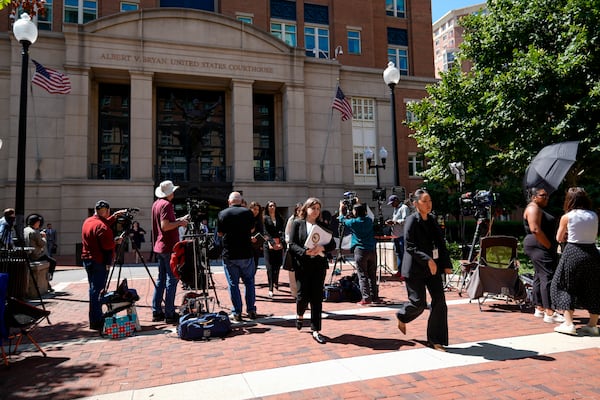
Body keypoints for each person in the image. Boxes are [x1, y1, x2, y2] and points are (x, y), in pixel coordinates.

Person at [395, 189, 452, 351]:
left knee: (440, 302)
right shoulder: (411, 220)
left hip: (432, 268)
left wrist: (446, 264)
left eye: (430, 201)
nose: (428, 204)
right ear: (415, 203)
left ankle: (435, 340)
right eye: (425, 201)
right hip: (415, 268)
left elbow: (440, 243)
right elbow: (410, 246)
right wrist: (428, 260)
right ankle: (402, 316)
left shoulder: (432, 220)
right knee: (418, 303)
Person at [551, 187, 600, 336]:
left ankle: (569, 323)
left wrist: (566, 233)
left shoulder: (567, 216)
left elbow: (559, 238)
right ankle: (592, 325)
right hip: (592, 253)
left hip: (573, 252)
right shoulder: (594, 215)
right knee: (593, 286)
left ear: (569, 200)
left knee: (564, 285)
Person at [287, 197, 336, 344]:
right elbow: (291, 244)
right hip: (302, 265)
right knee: (302, 295)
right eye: (313, 208)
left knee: (316, 298)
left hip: (319, 265)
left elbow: (332, 243)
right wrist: (304, 252)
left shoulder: (322, 225)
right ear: (306, 209)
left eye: (318, 208)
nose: (315, 211)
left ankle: (316, 330)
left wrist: (323, 248)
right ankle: (300, 314)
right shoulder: (297, 223)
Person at [81, 200, 127, 331]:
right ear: (106, 211)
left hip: (87, 260)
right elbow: (107, 244)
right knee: (98, 291)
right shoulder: (102, 227)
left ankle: (94, 318)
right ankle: (96, 320)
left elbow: (101, 224)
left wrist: (114, 217)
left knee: (93, 289)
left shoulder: (88, 221)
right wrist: (116, 242)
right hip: (99, 261)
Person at [523, 187, 564, 323]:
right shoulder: (533, 208)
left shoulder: (537, 207)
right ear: (534, 196)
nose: (547, 198)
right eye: (543, 195)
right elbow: (535, 229)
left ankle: (540, 307)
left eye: (547, 196)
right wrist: (548, 245)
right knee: (547, 276)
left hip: (538, 245)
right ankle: (550, 312)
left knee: (539, 277)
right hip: (539, 245)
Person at [152, 180, 189, 324]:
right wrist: (180, 223)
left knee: (161, 280)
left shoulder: (156, 204)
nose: (173, 193)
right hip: (168, 247)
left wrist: (179, 220)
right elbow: (165, 226)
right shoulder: (166, 205)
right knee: (172, 280)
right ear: (169, 193)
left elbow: (164, 224)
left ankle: (157, 311)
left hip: (160, 246)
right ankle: (169, 313)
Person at [217, 191, 257, 322]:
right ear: (241, 201)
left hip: (230, 254)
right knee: (249, 282)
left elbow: (220, 233)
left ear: (229, 202)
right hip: (246, 253)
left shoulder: (223, 214)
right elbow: (252, 230)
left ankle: (237, 312)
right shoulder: (248, 213)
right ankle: (251, 310)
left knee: (233, 284)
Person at [339, 201, 378, 305]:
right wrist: (357, 203)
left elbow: (342, 219)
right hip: (371, 249)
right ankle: (375, 297)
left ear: (355, 212)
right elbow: (366, 215)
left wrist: (341, 208)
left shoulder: (353, 222)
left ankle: (366, 298)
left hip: (360, 250)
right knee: (372, 275)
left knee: (362, 275)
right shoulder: (369, 220)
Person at [24, 214, 57, 292]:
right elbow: (42, 243)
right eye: (38, 222)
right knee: (53, 262)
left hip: (28, 254)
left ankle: (48, 284)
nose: (39, 224)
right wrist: (44, 237)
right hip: (36, 255)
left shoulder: (25, 230)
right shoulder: (35, 232)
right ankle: (49, 277)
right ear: (35, 223)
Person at [263, 200, 285, 298]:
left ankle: (276, 281)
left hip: (278, 244)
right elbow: (265, 232)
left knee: (277, 265)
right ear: (267, 207)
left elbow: (282, 231)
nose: (272, 207)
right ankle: (270, 288)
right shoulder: (265, 218)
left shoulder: (279, 218)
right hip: (268, 245)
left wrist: (281, 242)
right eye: (270, 206)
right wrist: (272, 243)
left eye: (273, 206)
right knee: (269, 267)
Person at [386, 195, 410, 276]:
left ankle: (405, 272)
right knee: (398, 254)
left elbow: (406, 220)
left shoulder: (404, 208)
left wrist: (394, 222)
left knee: (403, 254)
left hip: (402, 235)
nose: (392, 205)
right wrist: (391, 223)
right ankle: (400, 271)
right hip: (396, 236)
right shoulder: (395, 209)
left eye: (392, 203)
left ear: (397, 200)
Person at [249, 201, 264, 276]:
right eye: (254, 209)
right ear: (250, 209)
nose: (256, 211)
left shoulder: (259, 220)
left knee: (255, 264)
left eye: (257, 210)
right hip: (247, 246)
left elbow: (262, 232)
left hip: (256, 246)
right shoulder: (246, 218)